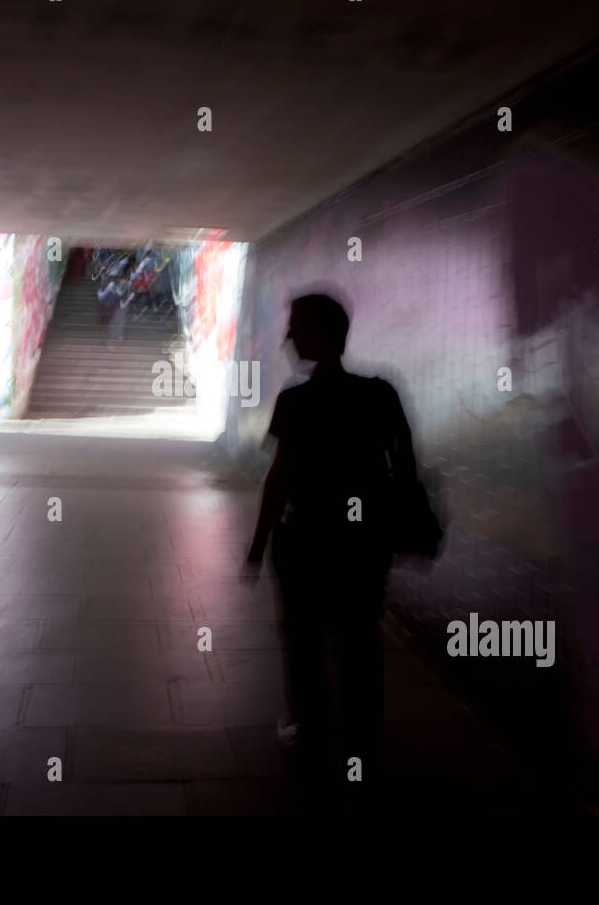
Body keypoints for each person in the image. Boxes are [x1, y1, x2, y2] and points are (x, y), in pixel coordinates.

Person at [245, 292, 419, 812]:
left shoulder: (297, 401)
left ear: (322, 333)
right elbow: (406, 466)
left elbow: (280, 479)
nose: (287, 337)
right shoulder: (382, 394)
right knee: (360, 644)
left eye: (295, 327)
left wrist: (257, 545)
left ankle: (312, 739)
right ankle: (362, 751)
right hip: (362, 548)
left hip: (306, 543)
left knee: (304, 646)